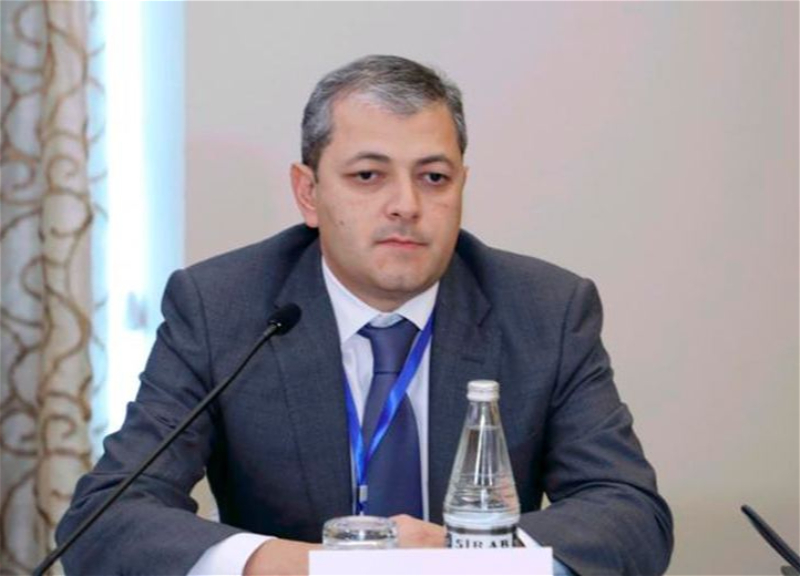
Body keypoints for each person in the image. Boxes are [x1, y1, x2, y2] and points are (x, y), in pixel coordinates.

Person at [56, 55, 673, 575]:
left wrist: (470, 558)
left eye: (434, 177)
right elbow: (106, 518)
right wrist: (308, 566)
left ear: (461, 185)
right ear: (309, 193)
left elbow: (629, 513)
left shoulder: (545, 309)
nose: (406, 205)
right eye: (368, 175)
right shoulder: (223, 307)